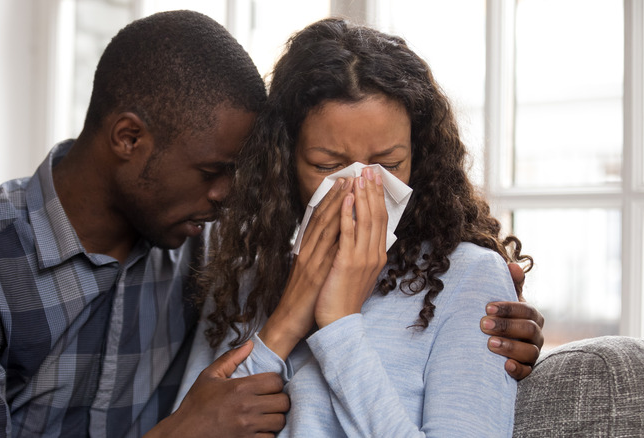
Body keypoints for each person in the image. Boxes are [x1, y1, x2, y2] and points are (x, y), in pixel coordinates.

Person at [0, 10, 540, 438]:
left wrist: (496, 312)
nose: (227, 197)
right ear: (128, 138)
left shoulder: (206, 241)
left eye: (389, 163)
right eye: (211, 172)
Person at [174, 18, 533, 436]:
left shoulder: (468, 277)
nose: (360, 189)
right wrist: (284, 324)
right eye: (327, 165)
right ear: (284, 162)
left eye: (389, 164)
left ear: (420, 158)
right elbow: (194, 426)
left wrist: (340, 324)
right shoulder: (246, 276)